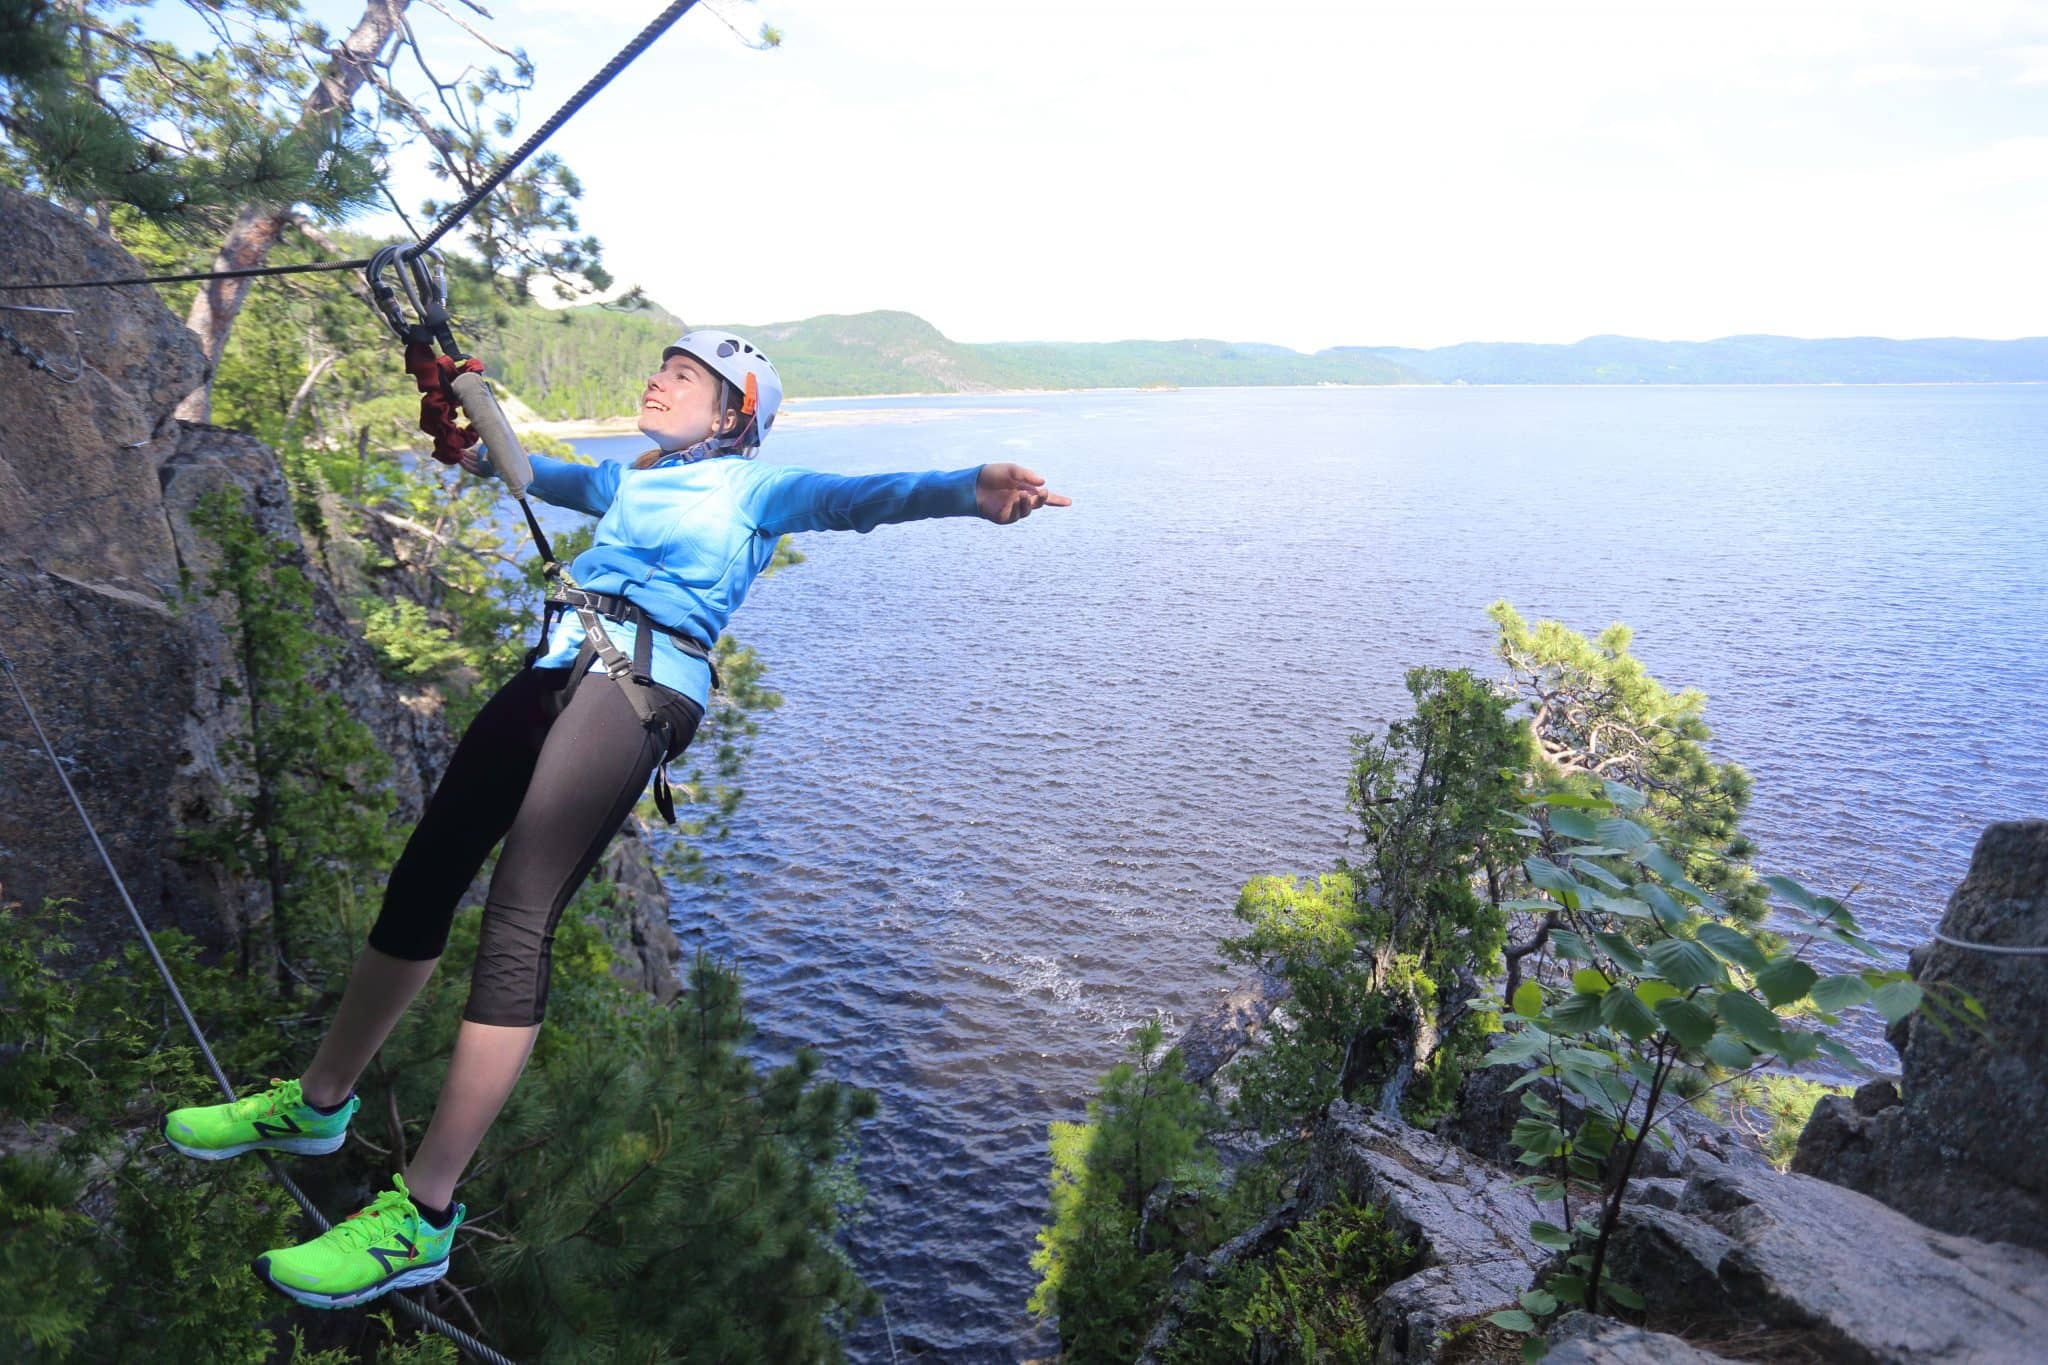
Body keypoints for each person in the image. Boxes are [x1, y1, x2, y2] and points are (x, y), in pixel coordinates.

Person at [160, 329, 1072, 1310]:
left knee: (517, 914)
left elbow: (860, 498)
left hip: (638, 685)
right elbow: (515, 468)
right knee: (427, 870)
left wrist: (969, 484)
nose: (656, 379)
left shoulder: (753, 490)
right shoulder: (631, 483)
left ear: (733, 415)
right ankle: (317, 1104)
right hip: (560, 666)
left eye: (684, 377)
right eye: (662, 366)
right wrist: (465, 389)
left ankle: (421, 1217)